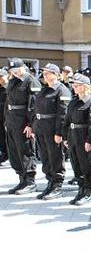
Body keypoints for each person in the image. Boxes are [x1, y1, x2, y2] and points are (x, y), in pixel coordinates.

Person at [33, 63, 72, 200]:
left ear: (56, 75)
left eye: (49, 73)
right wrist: (34, 127)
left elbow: (63, 114)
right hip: (41, 128)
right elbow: (36, 110)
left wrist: (59, 133)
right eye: (44, 73)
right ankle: (50, 182)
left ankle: (57, 185)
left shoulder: (62, 90)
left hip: (52, 130)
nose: (45, 75)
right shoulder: (44, 89)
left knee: (55, 157)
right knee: (45, 158)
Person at [63, 74, 91, 205]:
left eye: (77, 85)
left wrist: (90, 141)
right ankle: (81, 189)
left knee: (87, 166)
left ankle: (88, 191)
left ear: (85, 87)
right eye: (74, 85)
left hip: (84, 137)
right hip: (73, 136)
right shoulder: (74, 102)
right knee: (76, 165)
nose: (74, 87)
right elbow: (67, 120)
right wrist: (65, 137)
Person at [4, 58, 41, 195]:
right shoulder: (13, 81)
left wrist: (31, 125)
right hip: (12, 122)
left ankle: (30, 182)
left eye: (15, 69)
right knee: (14, 153)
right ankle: (22, 179)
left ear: (23, 67)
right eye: (11, 70)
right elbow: (9, 103)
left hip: (23, 123)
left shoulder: (31, 81)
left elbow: (34, 106)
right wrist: (6, 121)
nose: (13, 72)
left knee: (25, 151)